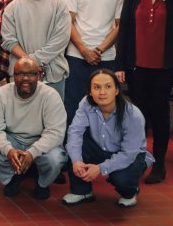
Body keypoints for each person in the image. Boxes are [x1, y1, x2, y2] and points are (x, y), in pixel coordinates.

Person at [115, 0, 173, 184]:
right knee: (139, 116)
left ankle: (160, 163)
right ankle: (138, 160)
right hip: (137, 66)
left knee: (160, 115)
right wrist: (120, 65)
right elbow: (124, 29)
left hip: (164, 67)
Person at [63, 70, 154, 207]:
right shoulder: (86, 103)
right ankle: (82, 191)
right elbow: (75, 132)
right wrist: (76, 161)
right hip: (99, 147)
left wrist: (100, 168)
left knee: (121, 179)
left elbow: (128, 153)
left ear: (117, 90)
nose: (102, 92)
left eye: (108, 86)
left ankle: (131, 191)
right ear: (90, 91)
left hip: (130, 155)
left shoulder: (133, 115)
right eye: (97, 87)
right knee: (72, 142)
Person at [0, 58, 67, 199]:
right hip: (13, 140)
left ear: (39, 76)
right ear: (13, 76)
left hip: (39, 139)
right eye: (20, 74)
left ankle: (42, 183)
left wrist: (32, 152)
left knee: (56, 158)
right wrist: (8, 150)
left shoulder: (50, 95)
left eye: (31, 74)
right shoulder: (0, 94)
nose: (25, 78)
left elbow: (55, 133)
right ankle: (12, 178)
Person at [63, 0, 128, 126]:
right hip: (76, 56)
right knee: (73, 105)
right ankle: (72, 151)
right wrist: (84, 50)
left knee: (105, 105)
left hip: (106, 57)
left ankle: (103, 149)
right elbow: (69, 22)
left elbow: (119, 26)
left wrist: (98, 49)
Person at [1, 0, 71, 98]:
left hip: (53, 75)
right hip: (20, 76)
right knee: (19, 118)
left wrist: (32, 61)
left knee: (53, 118)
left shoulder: (59, 4)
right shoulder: (12, 8)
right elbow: (9, 41)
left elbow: (61, 39)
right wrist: (30, 65)